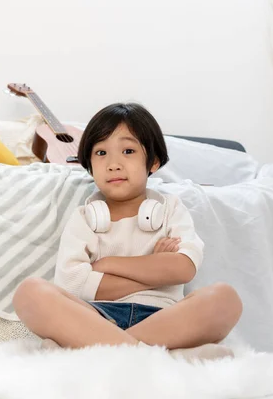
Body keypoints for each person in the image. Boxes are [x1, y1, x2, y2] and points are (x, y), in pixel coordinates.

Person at [13, 103, 242, 361]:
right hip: (95, 318)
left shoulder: (170, 209)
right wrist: (155, 269)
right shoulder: (85, 218)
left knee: (224, 298)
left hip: (164, 319)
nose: (113, 164)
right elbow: (73, 285)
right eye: (101, 152)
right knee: (30, 292)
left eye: (128, 150)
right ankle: (166, 357)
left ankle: (93, 350)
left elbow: (183, 269)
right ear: (88, 163)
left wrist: (108, 264)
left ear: (153, 161)